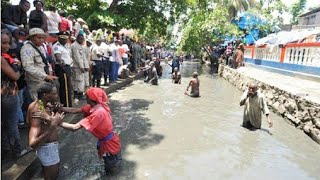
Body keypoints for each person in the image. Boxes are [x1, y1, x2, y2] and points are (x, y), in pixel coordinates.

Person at [57, 87, 122, 174]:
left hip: (109, 145)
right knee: (110, 162)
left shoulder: (98, 113)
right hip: (110, 141)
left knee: (111, 166)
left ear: (91, 99)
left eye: (86, 96)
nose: (85, 97)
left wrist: (56, 122)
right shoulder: (95, 106)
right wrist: (60, 108)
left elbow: (74, 128)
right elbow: (75, 110)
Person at [28, 82, 65, 180]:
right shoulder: (36, 111)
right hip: (47, 150)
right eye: (54, 94)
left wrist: (56, 110)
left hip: (49, 148)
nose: (57, 96)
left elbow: (46, 120)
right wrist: (52, 126)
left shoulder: (41, 104)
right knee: (52, 177)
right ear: (45, 95)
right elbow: (32, 144)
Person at [1, 33, 30, 158]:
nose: (7, 46)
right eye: (4, 43)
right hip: (7, 95)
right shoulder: (2, 59)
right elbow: (15, 76)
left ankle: (5, 149)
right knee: (12, 123)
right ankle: (17, 151)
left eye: (8, 43)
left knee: (3, 124)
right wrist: (18, 67)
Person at [21, 28, 58, 101]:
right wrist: (45, 76)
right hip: (35, 81)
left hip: (44, 79)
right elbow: (28, 67)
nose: (41, 40)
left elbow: (45, 61)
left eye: (43, 38)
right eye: (39, 37)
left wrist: (49, 71)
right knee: (38, 102)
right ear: (31, 38)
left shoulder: (41, 47)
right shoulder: (27, 49)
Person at [53, 31, 73, 107]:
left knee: (68, 87)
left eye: (66, 39)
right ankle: (66, 106)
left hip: (67, 67)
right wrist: (62, 64)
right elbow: (58, 57)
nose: (65, 40)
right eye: (63, 39)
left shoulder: (64, 46)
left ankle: (68, 105)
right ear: (59, 38)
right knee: (65, 88)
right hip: (62, 68)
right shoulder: (57, 46)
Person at [71, 34, 86, 100]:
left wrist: (85, 66)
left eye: (82, 39)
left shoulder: (79, 45)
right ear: (77, 38)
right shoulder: (74, 46)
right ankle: (77, 95)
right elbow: (77, 57)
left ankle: (80, 94)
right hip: (76, 66)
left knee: (80, 80)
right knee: (77, 80)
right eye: (80, 39)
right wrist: (81, 67)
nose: (82, 40)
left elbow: (83, 57)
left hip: (80, 66)